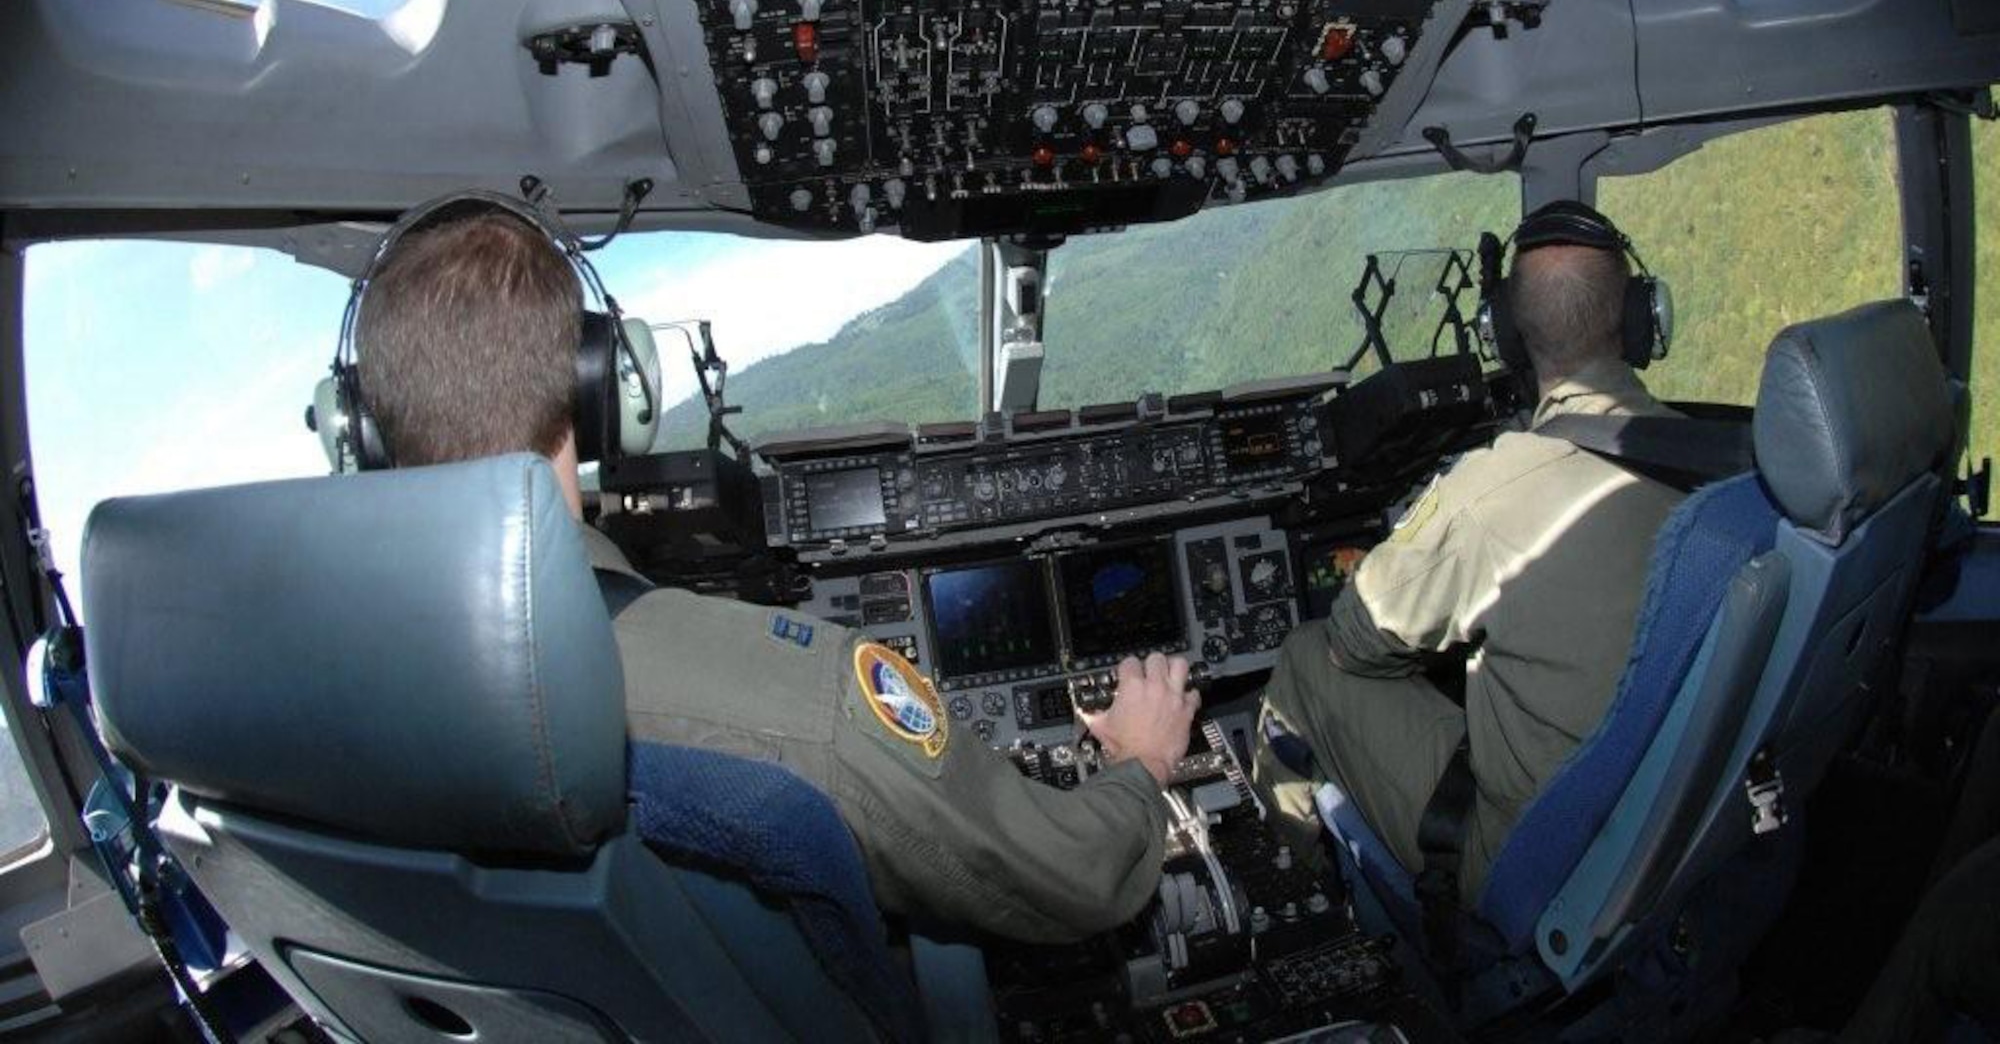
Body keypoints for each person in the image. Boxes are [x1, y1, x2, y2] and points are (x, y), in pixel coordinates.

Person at [352, 202, 1200, 943]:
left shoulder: (331, 708)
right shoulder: (809, 700)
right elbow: (1067, 875)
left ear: (363, 437)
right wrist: (1142, 762)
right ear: (614, 394)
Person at [1251, 201, 1684, 906]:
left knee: (1303, 657)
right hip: (1671, 811)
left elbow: (1354, 646)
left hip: (1541, 861)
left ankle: (1303, 905)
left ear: (1506, 340)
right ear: (1641, 319)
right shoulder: (1713, 461)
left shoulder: (1491, 493)